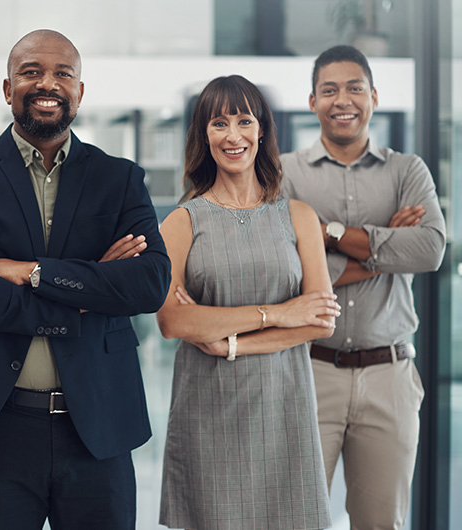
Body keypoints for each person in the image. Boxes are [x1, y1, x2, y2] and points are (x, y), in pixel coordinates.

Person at [0, 29, 171, 529]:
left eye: (62, 73)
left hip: (98, 422)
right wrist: (89, 290)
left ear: (79, 91)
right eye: (31, 72)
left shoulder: (120, 179)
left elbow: (149, 283)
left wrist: (31, 273)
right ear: (8, 89)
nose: (47, 83)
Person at [155, 75, 340, 529]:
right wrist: (279, 313)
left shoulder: (298, 215)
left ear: (262, 130)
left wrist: (230, 342)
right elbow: (173, 321)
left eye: (244, 120)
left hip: (285, 406)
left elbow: (320, 321)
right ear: (204, 135)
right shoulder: (181, 223)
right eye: (219, 123)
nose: (233, 135)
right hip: (209, 410)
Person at [280, 45, 446, 529]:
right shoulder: (284, 174)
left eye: (354, 87)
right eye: (329, 90)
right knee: (295, 518)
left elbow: (429, 251)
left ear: (373, 95)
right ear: (312, 101)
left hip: (388, 375)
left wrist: (326, 234)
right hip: (309, 371)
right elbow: (286, 273)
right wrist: (383, 250)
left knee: (382, 523)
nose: (342, 99)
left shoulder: (407, 170)